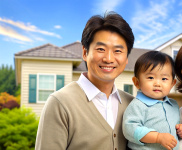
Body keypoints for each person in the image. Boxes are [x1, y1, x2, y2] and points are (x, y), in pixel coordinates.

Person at [35, 11, 135, 150]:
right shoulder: (60, 104)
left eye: (118, 51)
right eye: (101, 49)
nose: (109, 58)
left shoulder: (132, 104)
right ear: (85, 52)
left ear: (126, 58)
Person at [123, 51, 182, 150]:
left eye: (164, 79)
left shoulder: (173, 105)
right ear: (137, 83)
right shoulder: (138, 105)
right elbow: (130, 129)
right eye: (151, 77)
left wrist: (181, 130)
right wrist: (157, 137)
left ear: (172, 84)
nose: (157, 83)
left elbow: (173, 127)